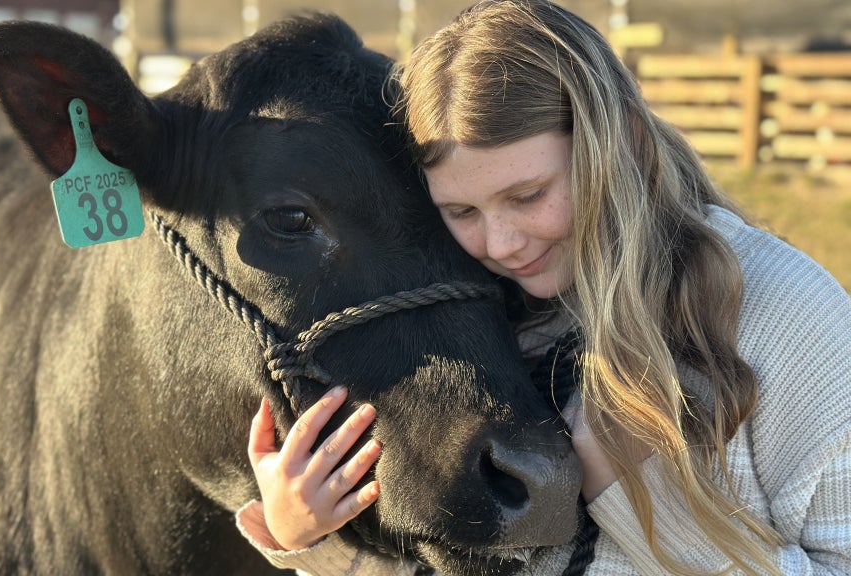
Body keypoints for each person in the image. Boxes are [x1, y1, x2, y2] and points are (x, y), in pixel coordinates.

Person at [236, 0, 851, 574]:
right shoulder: (460, 312)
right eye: (461, 212)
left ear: (626, 145)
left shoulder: (790, 321)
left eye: (527, 196)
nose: (500, 245)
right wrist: (308, 540)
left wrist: (640, 497)